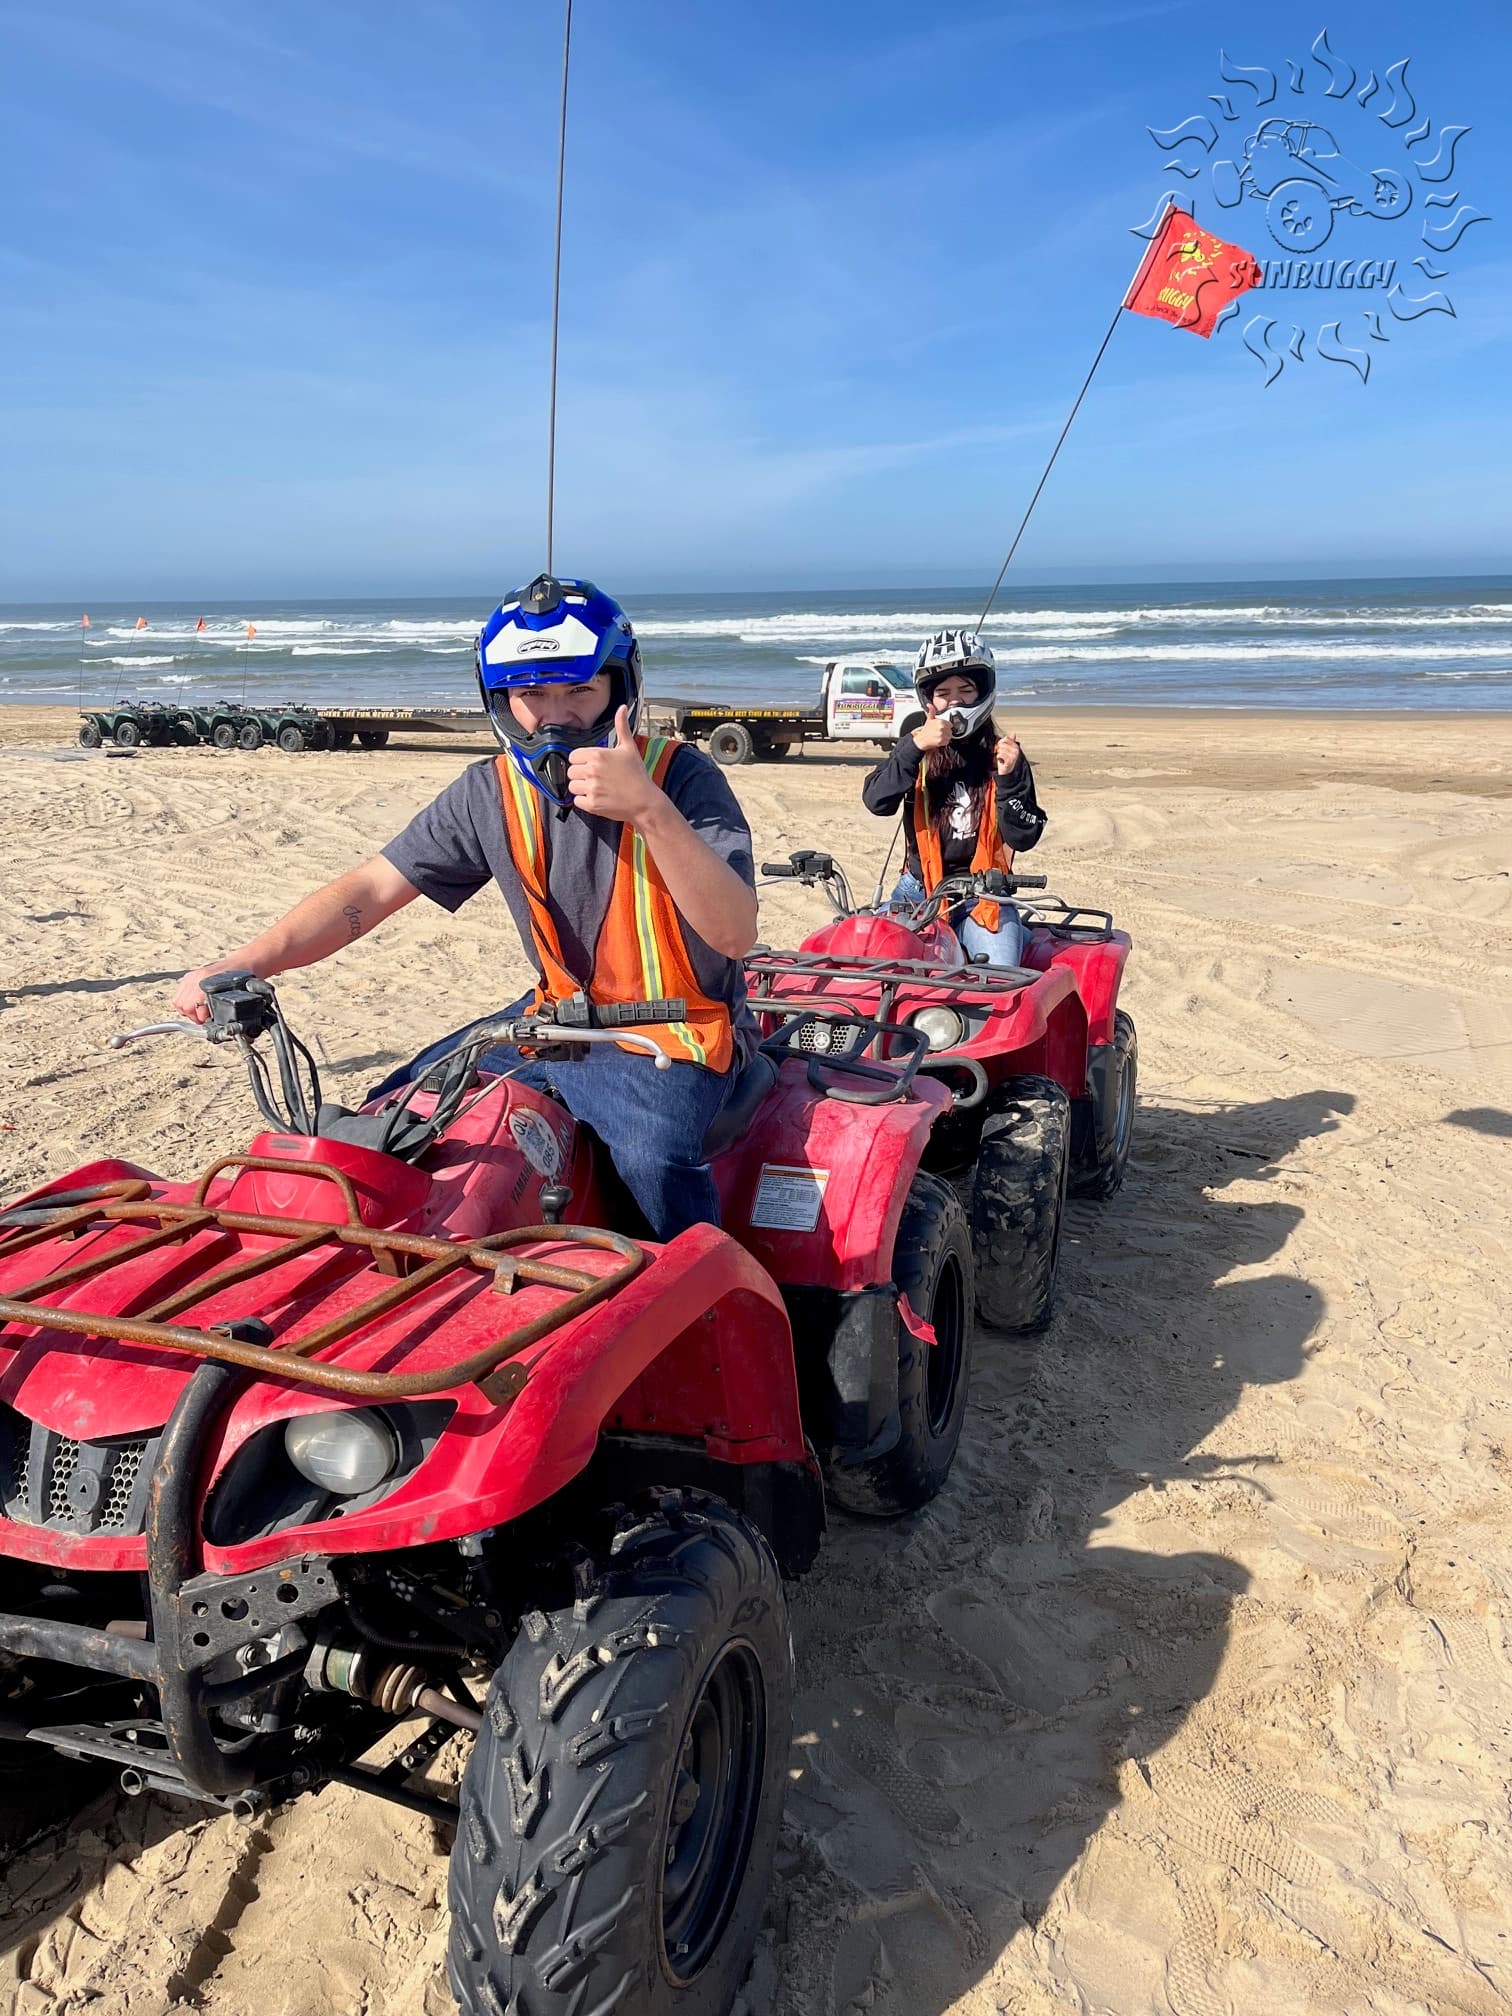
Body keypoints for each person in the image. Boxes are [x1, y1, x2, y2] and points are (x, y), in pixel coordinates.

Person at [171, 574, 759, 1239]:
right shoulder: (491, 791)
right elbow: (371, 889)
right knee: (396, 1109)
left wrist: (650, 811)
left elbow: (736, 934)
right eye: (531, 694)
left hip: (677, 1031)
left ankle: (702, 1309)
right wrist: (247, 962)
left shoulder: (682, 778)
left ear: (619, 691)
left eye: (580, 690)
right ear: (501, 702)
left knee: (654, 1164)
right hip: (554, 1022)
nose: (556, 715)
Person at [861, 629, 1045, 964]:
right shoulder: (915, 749)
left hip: (984, 896)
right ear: (930, 700)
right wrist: (914, 748)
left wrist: (1009, 783)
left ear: (983, 692)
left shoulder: (1004, 756)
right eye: (944, 693)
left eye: (966, 689)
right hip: (917, 891)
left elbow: (1024, 835)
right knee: (877, 973)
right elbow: (877, 801)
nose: (955, 700)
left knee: (1000, 978)